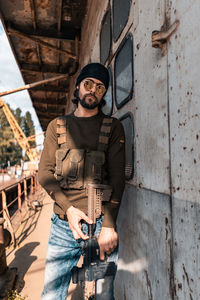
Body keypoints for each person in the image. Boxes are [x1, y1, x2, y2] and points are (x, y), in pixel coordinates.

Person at [38, 62, 125, 300]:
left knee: (104, 295)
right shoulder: (57, 126)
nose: (93, 91)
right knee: (51, 294)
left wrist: (109, 226)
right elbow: (44, 173)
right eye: (88, 84)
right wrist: (69, 210)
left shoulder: (113, 127)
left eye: (100, 88)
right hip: (64, 226)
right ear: (77, 88)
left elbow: (117, 177)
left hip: (101, 226)